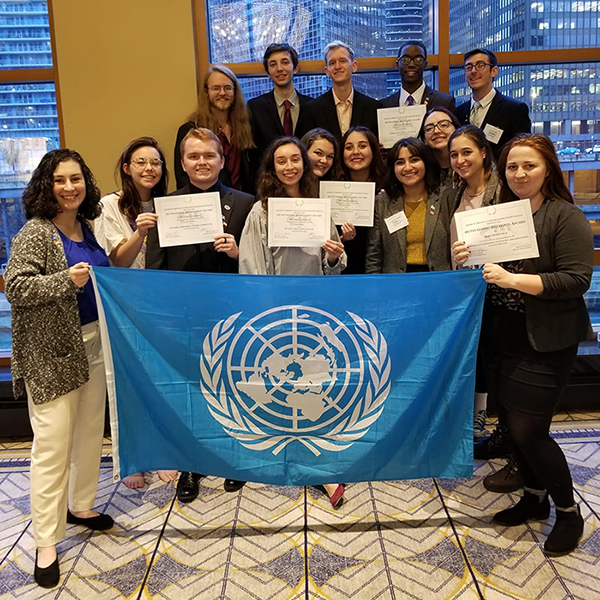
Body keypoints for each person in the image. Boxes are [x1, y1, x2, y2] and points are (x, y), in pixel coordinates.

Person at [453, 134, 593, 557]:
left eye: (528, 166)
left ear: (547, 167)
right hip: (504, 335)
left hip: (546, 341)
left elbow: (576, 280)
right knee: (513, 428)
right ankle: (534, 499)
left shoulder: (565, 216)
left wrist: (514, 280)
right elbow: (486, 273)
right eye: (512, 167)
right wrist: (467, 258)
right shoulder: (503, 216)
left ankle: (569, 513)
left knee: (531, 431)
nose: (519, 174)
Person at [5, 149, 113, 588]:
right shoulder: (36, 232)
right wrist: (64, 280)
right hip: (52, 355)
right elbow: (15, 285)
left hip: (93, 344)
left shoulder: (86, 228)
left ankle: (81, 505)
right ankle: (45, 541)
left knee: (90, 432)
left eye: (76, 179)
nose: (70, 187)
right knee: (51, 448)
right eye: (60, 180)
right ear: (45, 186)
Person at [147, 127, 254, 501]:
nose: (202, 162)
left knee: (235, 386)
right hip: (183, 316)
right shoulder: (167, 207)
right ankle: (190, 464)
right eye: (193, 157)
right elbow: (156, 268)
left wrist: (238, 252)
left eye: (209, 155)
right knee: (191, 389)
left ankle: (234, 458)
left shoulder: (246, 203)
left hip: (233, 313)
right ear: (182, 163)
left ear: (222, 160)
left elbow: (260, 266)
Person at [238, 136, 346, 507]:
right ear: (272, 167)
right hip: (276, 314)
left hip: (315, 313)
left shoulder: (319, 207)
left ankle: (319, 466)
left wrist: (334, 255)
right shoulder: (261, 212)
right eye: (280, 160)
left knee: (315, 387)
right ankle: (283, 459)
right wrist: (269, 311)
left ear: (305, 164)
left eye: (295, 159)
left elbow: (332, 269)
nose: (289, 166)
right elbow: (251, 266)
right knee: (279, 386)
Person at [94, 136, 177, 489]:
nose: (149, 169)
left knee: (159, 379)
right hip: (122, 306)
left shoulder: (170, 204)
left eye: (155, 163)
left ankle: (159, 453)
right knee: (125, 381)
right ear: (127, 167)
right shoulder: (108, 206)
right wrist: (141, 231)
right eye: (141, 162)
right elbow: (117, 259)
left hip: (160, 305)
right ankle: (130, 460)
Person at [446, 125, 501, 461]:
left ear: (483, 152)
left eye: (467, 152)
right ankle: (475, 418)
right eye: (454, 155)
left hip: (501, 286)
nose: (460, 160)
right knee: (473, 354)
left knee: (496, 356)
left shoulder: (504, 191)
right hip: (466, 287)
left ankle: (500, 428)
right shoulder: (454, 195)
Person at [365, 137, 450, 273]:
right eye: (400, 162)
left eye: (414, 160)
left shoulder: (447, 198)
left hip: (440, 282)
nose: (407, 167)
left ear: (426, 162)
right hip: (396, 285)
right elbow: (374, 256)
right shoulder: (381, 204)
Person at [174, 65, 255, 192]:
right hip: (207, 203)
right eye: (216, 88)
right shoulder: (190, 130)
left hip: (242, 203)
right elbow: (182, 178)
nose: (222, 93)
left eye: (228, 88)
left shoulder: (245, 126)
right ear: (206, 92)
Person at [456, 48, 531, 161]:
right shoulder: (459, 112)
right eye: (468, 67)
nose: (473, 71)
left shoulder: (514, 109)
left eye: (480, 65)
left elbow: (522, 151)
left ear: (494, 71)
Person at [298, 41, 381, 140]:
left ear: (354, 66)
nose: (337, 67)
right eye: (332, 63)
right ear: (327, 71)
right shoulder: (312, 110)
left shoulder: (372, 108)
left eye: (343, 61)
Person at [248, 43, 313, 164]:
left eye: (285, 62)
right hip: (268, 180)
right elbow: (252, 155)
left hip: (306, 179)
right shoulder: (255, 108)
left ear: (296, 68)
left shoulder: (312, 106)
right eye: (273, 64)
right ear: (268, 72)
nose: (279, 68)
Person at [340, 126, 385, 273]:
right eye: (348, 147)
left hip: (382, 270)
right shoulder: (332, 190)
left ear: (373, 149)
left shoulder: (388, 187)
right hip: (344, 271)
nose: (356, 152)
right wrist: (341, 238)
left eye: (362, 146)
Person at [381, 41, 456, 111]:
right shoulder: (384, 106)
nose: (411, 65)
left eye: (418, 59)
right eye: (405, 59)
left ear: (425, 65)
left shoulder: (444, 102)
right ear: (397, 65)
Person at [420, 106, 461, 184]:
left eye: (443, 125)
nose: (436, 131)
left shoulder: (468, 164)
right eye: (429, 128)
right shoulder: (421, 172)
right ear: (424, 139)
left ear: (457, 129)